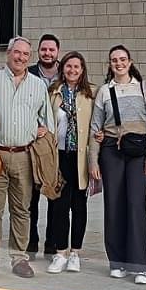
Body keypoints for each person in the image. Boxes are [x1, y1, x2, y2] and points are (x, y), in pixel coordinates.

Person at [0, 36, 52, 281]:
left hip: (24, 156)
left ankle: (19, 258)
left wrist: (43, 131)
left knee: (22, 211)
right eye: (17, 53)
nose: (21, 58)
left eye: (25, 55)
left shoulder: (38, 85)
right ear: (8, 54)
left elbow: (47, 120)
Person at [90, 45, 146, 284]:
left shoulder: (143, 88)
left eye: (122, 59)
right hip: (111, 150)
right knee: (114, 204)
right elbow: (95, 128)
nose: (118, 63)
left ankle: (140, 265)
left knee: (135, 205)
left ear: (130, 62)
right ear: (110, 64)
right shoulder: (104, 92)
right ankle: (117, 261)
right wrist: (93, 161)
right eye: (114, 60)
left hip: (138, 151)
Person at [45, 51, 95, 273]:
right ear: (62, 68)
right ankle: (60, 252)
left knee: (79, 205)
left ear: (82, 70)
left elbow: (96, 124)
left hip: (81, 157)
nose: (72, 70)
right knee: (59, 206)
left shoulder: (90, 93)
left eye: (77, 67)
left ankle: (75, 252)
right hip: (60, 155)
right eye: (68, 66)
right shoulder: (53, 93)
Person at [26, 33, 61, 259]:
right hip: (32, 143)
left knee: (55, 198)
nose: (47, 53)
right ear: (38, 51)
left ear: (58, 51)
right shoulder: (28, 74)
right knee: (31, 199)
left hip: (57, 145)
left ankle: (52, 243)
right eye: (44, 49)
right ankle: (30, 243)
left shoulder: (66, 74)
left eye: (51, 49)